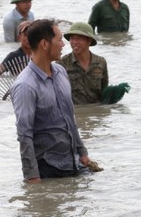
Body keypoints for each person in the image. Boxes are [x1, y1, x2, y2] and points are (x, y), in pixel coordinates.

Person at [10, 19, 98, 181]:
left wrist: (83, 153)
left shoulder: (61, 72)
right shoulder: (25, 86)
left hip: (72, 162)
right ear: (44, 44)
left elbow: (70, 119)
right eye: (59, 40)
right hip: (48, 170)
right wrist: (32, 178)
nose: (64, 45)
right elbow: (24, 134)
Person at [58, 22, 108, 104]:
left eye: (79, 38)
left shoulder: (101, 62)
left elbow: (104, 91)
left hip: (96, 113)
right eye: (72, 38)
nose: (74, 42)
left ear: (89, 41)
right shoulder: (61, 64)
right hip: (74, 113)